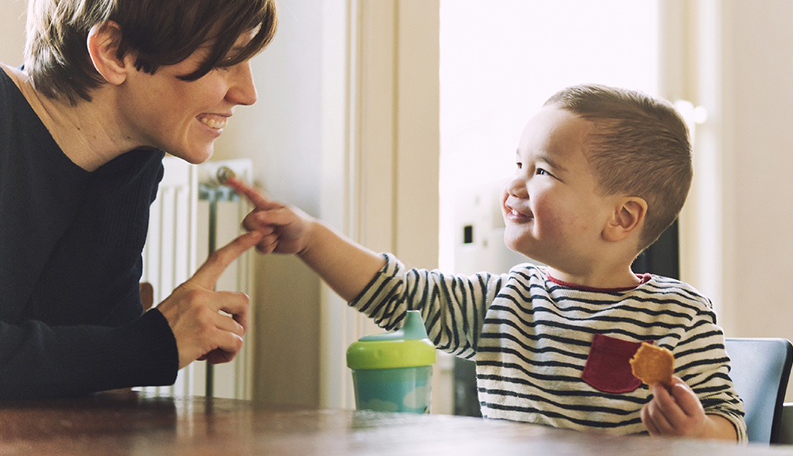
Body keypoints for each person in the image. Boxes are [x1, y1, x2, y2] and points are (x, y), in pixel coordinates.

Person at [229, 84, 746, 441]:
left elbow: (732, 427)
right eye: (518, 164)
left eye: (543, 170)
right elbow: (398, 292)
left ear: (621, 217)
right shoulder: (503, 301)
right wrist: (311, 237)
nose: (514, 185)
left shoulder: (680, 313)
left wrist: (697, 431)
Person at [0, 0, 277, 400]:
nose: (246, 93)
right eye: (224, 61)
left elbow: (87, 357)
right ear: (114, 52)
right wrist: (150, 344)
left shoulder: (130, 157)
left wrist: (170, 333)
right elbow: (115, 352)